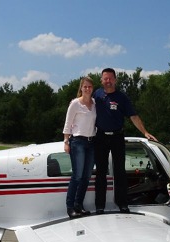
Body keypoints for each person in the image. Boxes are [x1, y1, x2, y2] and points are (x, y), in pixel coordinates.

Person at [93, 68, 157, 214]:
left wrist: (145, 132)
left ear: (115, 79)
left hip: (117, 137)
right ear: (101, 80)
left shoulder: (122, 97)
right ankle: (99, 206)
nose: (108, 81)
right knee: (101, 172)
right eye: (105, 78)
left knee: (120, 171)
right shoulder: (96, 94)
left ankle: (122, 204)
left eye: (110, 78)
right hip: (101, 137)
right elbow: (83, 106)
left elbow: (133, 116)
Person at [62, 76, 97, 218]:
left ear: (92, 88)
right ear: (81, 88)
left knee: (86, 176)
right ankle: (70, 207)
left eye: (90, 87)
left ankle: (79, 205)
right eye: (85, 87)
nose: (87, 89)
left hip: (91, 142)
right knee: (77, 175)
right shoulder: (75, 104)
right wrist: (66, 141)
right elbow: (67, 123)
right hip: (78, 142)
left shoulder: (94, 103)